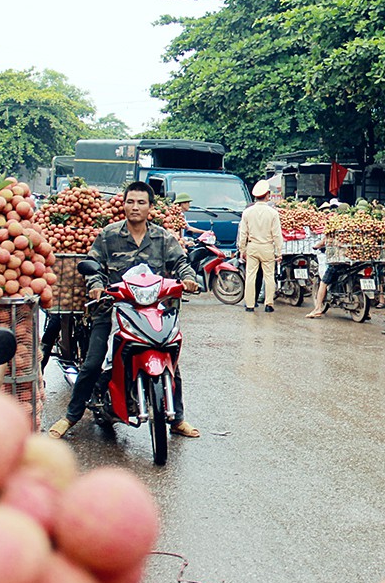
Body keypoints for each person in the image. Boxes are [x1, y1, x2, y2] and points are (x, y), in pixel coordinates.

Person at [50, 181, 201, 439]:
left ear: (150, 207)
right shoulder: (108, 235)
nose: (135, 207)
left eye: (141, 202)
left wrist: (189, 280)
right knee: (93, 363)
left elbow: (182, 263)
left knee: (170, 360)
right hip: (112, 309)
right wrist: (97, 286)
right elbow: (93, 264)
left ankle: (177, 419)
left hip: (152, 311)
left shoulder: (163, 237)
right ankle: (71, 416)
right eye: (130, 201)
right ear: (124, 204)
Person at [238, 179, 283, 312]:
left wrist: (242, 249)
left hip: (252, 247)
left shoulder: (247, 212)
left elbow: (243, 233)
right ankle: (269, 304)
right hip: (267, 247)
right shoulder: (273, 213)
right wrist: (279, 252)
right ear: (267, 195)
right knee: (269, 276)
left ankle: (250, 304)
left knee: (251, 275)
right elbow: (277, 234)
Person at [305, 199, 344, 318]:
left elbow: (326, 240)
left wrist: (317, 246)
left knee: (324, 282)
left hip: (338, 260)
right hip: (356, 261)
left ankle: (317, 308)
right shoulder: (352, 225)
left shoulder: (335, 225)